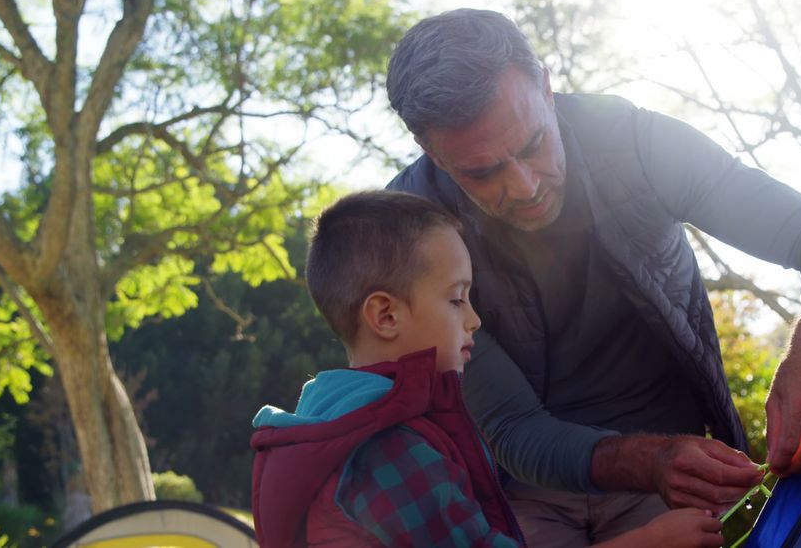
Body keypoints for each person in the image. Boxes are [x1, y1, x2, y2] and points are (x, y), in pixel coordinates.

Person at [386, 9, 801, 545]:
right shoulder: (410, 233)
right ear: (431, 152)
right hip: (518, 488)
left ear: (547, 89)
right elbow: (513, 429)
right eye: (483, 172)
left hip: (669, 468)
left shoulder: (638, 141)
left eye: (533, 146)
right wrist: (653, 460)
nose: (526, 186)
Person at [249, 190, 730, 547]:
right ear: (386, 316)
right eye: (456, 299)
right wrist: (650, 541)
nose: (474, 319)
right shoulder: (388, 445)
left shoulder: (337, 418)